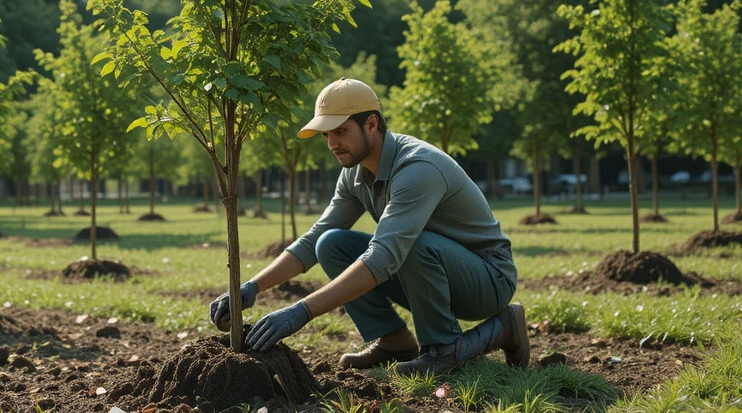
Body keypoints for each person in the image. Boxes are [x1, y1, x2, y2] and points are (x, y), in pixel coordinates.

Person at [208, 77, 528, 375]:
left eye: (340, 131)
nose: (332, 143)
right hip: (430, 272)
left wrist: (300, 312)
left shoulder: (417, 168)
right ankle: (392, 341)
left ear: (371, 124)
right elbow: (315, 237)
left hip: (488, 280)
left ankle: (469, 339)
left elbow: (384, 255)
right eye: (326, 134)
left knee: (411, 242)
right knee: (331, 243)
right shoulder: (355, 172)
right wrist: (251, 287)